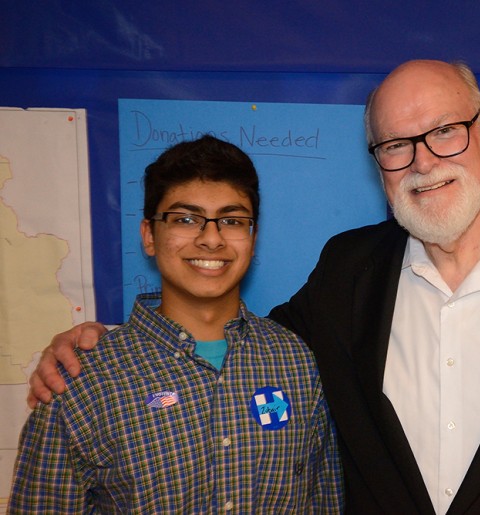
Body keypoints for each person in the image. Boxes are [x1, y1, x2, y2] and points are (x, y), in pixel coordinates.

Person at [29, 60, 480, 514]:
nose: (422, 161)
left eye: (444, 132)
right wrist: (94, 340)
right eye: (396, 145)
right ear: (378, 163)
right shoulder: (349, 270)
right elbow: (236, 342)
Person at [13, 136, 343, 513]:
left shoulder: (297, 363)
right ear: (149, 236)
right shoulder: (82, 380)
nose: (211, 239)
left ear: (252, 239)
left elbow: (325, 502)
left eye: (232, 220)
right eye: (186, 219)